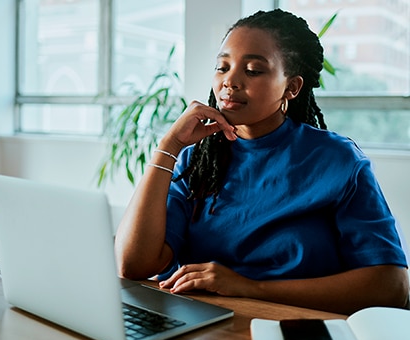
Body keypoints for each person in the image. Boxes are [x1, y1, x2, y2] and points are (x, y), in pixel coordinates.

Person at [115, 9, 409, 315]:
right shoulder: (197, 160)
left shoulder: (337, 160)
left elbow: (391, 286)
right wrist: (168, 147)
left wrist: (248, 287)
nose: (230, 81)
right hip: (203, 324)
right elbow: (133, 265)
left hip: (292, 327)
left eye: (253, 70)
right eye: (222, 67)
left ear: (291, 87)